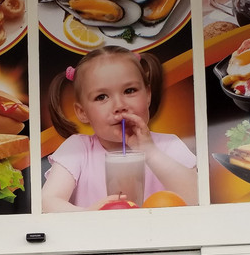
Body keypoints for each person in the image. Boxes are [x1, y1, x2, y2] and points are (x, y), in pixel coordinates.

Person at [42, 45, 198, 212]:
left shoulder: (169, 145)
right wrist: (89, 215)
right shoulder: (78, 149)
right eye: (102, 97)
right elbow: (46, 202)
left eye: (129, 91)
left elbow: (198, 197)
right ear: (82, 112)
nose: (119, 105)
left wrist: (150, 151)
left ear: (148, 95)